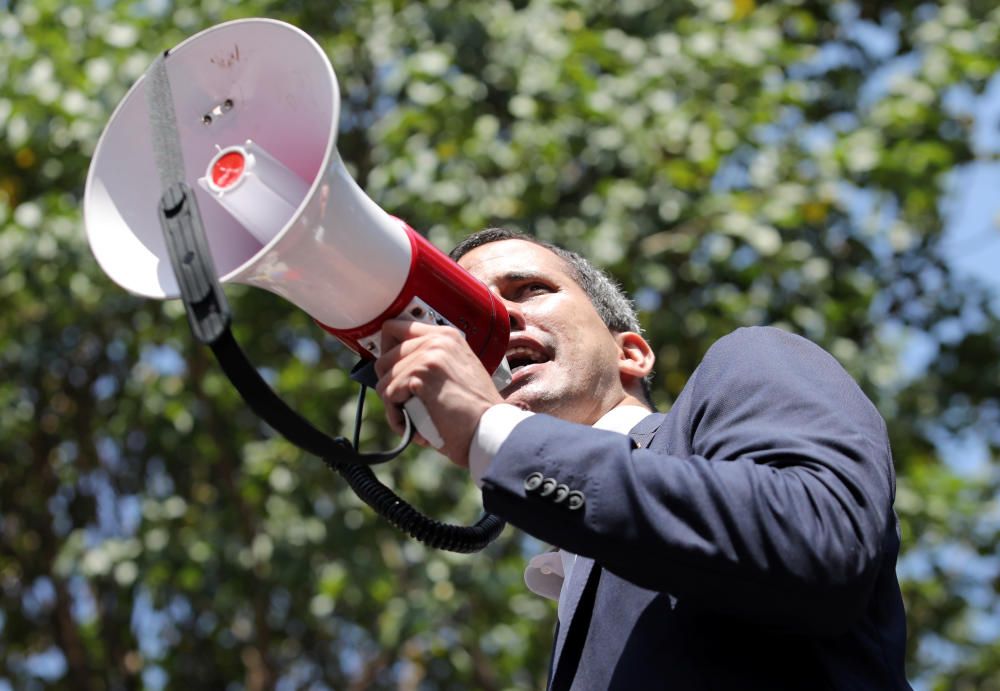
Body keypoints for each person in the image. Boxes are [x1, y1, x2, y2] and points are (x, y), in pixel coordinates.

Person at [373, 228, 912, 690]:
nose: (496, 317)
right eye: (467, 314)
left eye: (530, 289)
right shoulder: (572, 593)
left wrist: (495, 434)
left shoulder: (747, 361)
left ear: (631, 351)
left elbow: (817, 539)